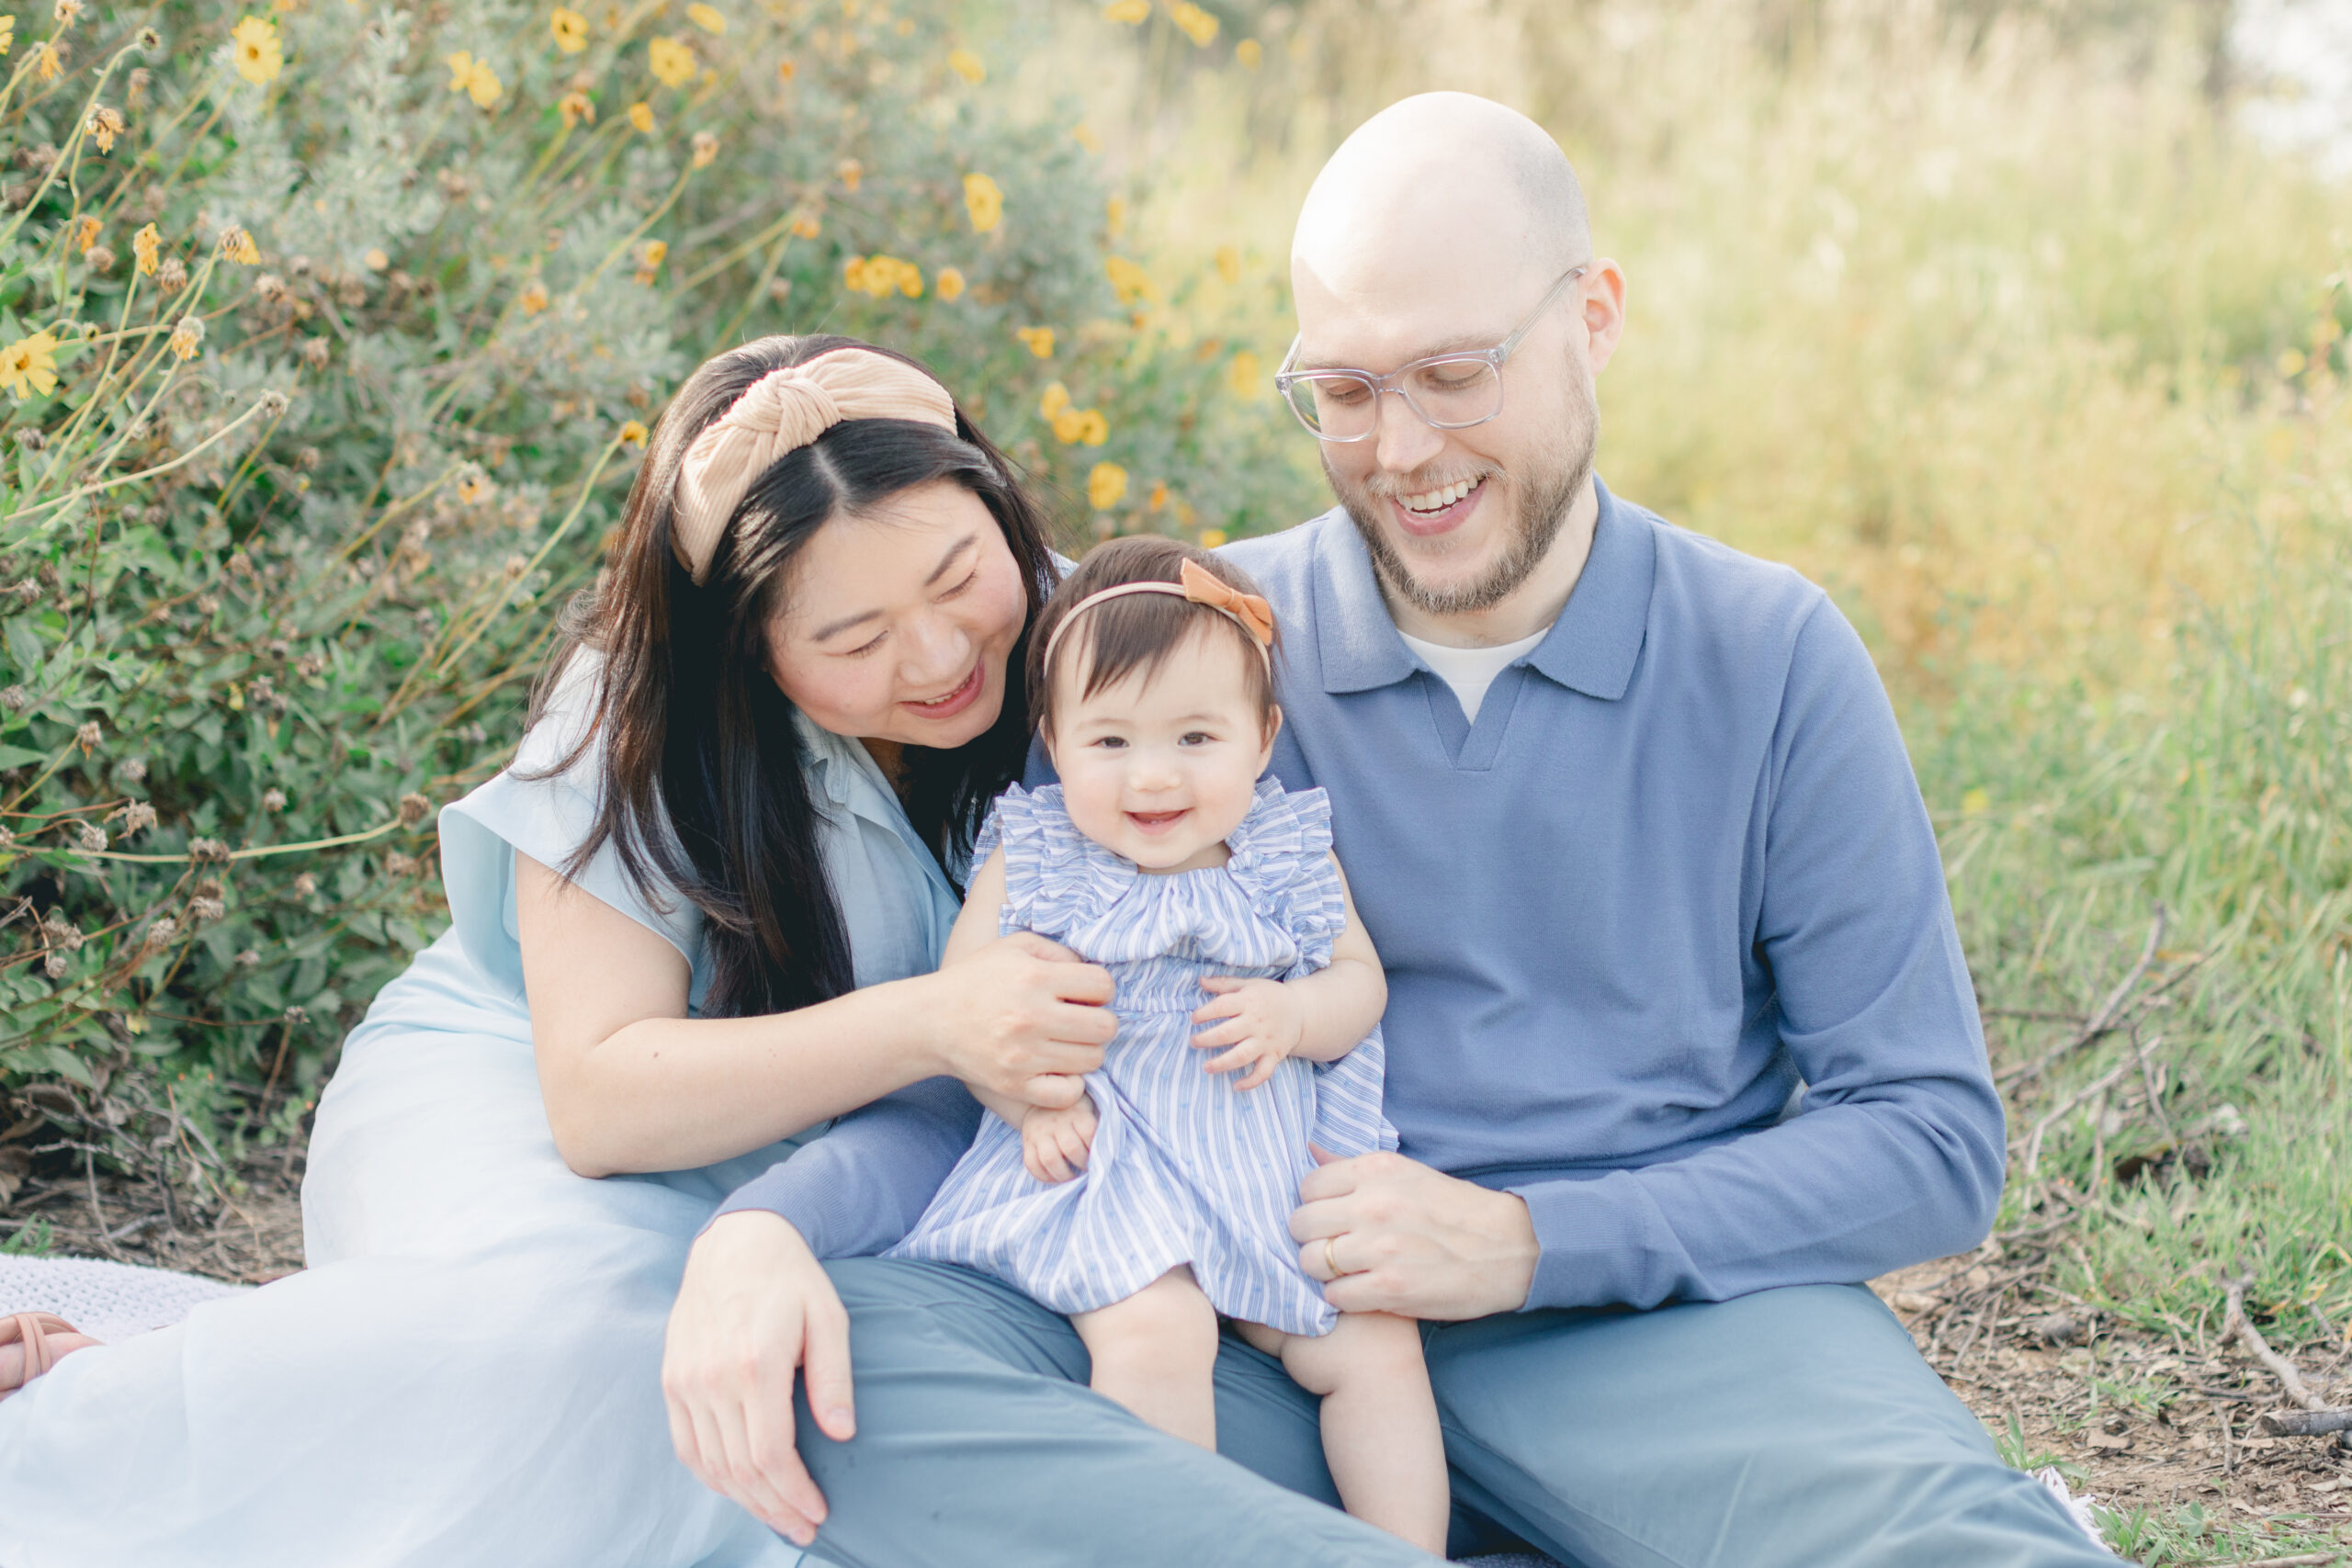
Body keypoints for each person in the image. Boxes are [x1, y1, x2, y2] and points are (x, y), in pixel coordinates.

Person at [662, 96, 2120, 1567]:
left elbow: (1929, 1140)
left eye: (1453, 370)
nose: (1403, 445)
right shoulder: (1196, 655)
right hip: (1257, 1321)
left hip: (1675, 1339)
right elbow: (1006, 1040)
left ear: (1595, 317)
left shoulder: (1769, 651)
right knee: (852, 1379)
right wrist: (763, 1229)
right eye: (1345, 389)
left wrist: (1524, 1243)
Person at [0, 336, 1118, 1568]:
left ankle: (268, 1391)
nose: (940, 655)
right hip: (529, 1099)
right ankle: (114, 1419)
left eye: (962, 575)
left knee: (802, 1400)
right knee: (602, 1353)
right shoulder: (643, 705)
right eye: (853, 642)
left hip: (828, 1162)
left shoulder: (1112, 645)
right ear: (748, 644)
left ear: (999, 501)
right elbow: (598, 1096)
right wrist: (937, 1019)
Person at [885, 537, 1447, 1554]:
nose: (1152, 778)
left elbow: (1358, 983)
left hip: (1259, 1171)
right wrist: (1035, 1097)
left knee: (1374, 1341)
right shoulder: (1038, 854)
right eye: (1109, 743)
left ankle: (1404, 1553)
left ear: (1262, 737)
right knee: (1158, 1328)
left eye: (1195, 738)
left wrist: (1295, 1016)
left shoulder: (1282, 850)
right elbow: (964, 1006)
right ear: (1054, 743)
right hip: (1107, 1165)